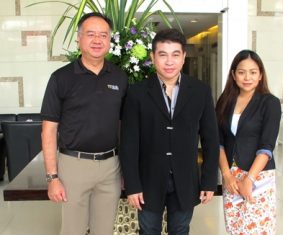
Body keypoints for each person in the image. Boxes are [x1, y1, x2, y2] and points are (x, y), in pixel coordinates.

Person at [119, 28, 220, 235]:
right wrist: (132, 184)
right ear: (153, 57)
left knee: (181, 229)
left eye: (175, 55)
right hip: (148, 180)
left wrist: (209, 180)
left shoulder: (200, 91)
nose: (169, 61)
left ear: (183, 57)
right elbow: (129, 142)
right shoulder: (137, 93)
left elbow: (210, 139)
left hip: (186, 178)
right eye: (162, 55)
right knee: (148, 230)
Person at [40, 12, 128, 235]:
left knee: (105, 231)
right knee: (73, 231)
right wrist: (52, 178)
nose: (97, 40)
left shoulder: (119, 77)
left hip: (111, 166)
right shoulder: (61, 78)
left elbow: (125, 126)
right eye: (91, 34)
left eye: (103, 35)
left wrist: (128, 170)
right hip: (73, 166)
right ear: (79, 39)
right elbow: (49, 130)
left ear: (110, 40)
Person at [215, 49, 281, 235]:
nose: (247, 77)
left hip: (258, 175)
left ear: (260, 75)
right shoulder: (225, 101)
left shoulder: (270, 103)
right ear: (234, 75)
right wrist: (226, 174)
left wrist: (250, 179)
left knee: (257, 228)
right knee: (235, 228)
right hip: (232, 176)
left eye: (253, 72)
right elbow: (218, 141)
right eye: (242, 72)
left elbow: (267, 146)